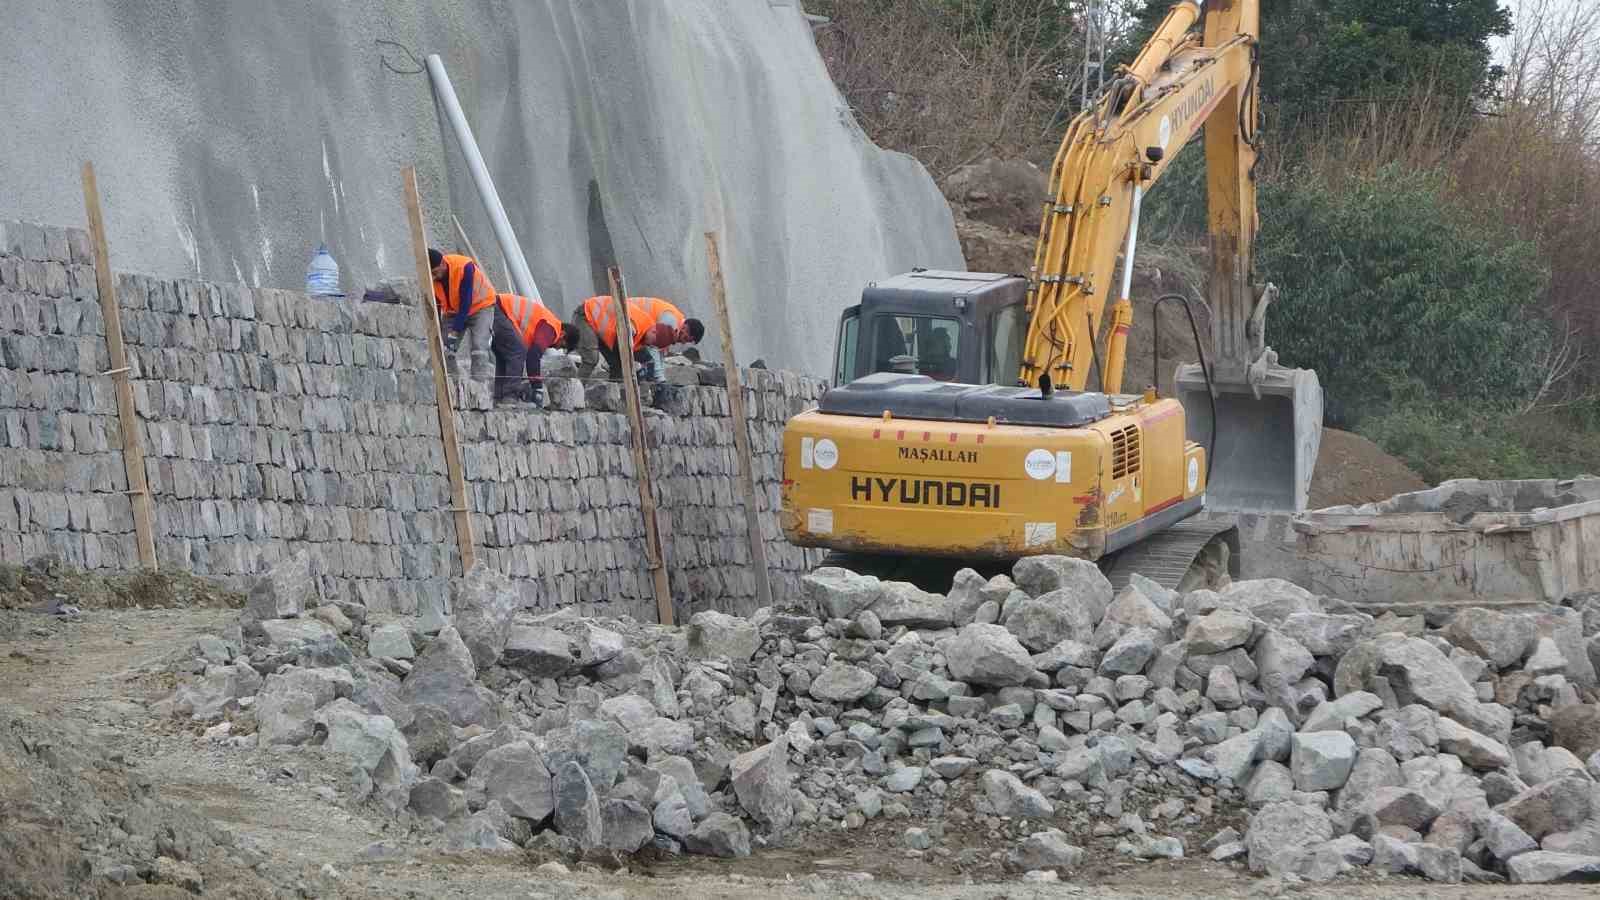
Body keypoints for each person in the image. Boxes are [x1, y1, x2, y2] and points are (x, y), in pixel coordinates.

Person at [563, 295, 705, 382]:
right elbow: (626, 336)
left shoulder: (649, 335)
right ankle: (576, 393)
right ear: (654, 330)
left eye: (653, 345)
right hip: (587, 316)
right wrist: (644, 369)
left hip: (606, 331)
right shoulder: (639, 324)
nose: (649, 344)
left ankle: (614, 398)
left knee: (619, 366)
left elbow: (640, 349)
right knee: (591, 359)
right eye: (652, 341)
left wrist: (646, 364)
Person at [428, 248, 496, 377]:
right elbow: (435, 304)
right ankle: (452, 380)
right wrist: (437, 327)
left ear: (443, 263)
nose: (434, 277)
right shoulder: (432, 277)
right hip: (453, 310)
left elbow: (466, 302)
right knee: (444, 346)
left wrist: (455, 332)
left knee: (479, 345)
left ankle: (479, 383)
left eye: (435, 272)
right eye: (432, 274)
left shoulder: (464, 267)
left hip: (481, 306)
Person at [490, 292, 565, 406]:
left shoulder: (547, 321)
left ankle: (499, 398)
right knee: (518, 351)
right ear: (563, 335)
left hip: (497, 308)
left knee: (505, 356)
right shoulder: (552, 328)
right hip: (501, 309)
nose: (558, 348)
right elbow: (533, 355)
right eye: (562, 345)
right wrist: (537, 386)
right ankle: (509, 397)